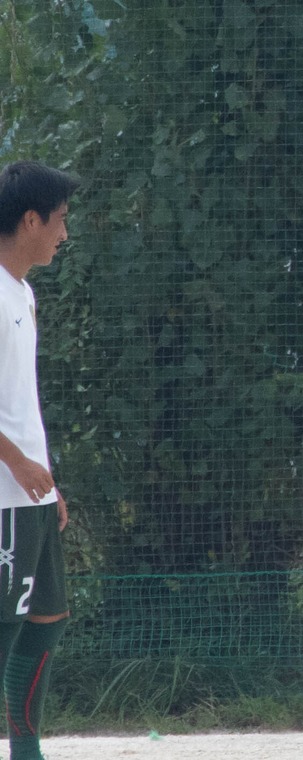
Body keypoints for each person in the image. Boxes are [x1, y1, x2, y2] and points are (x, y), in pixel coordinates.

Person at [0, 160, 81, 760]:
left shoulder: (23, 293)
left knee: (48, 617)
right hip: (5, 495)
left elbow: (19, 401)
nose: (64, 234)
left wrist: (47, 481)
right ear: (30, 220)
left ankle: (27, 752)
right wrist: (17, 465)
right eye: (60, 219)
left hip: (31, 492)